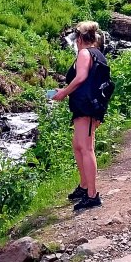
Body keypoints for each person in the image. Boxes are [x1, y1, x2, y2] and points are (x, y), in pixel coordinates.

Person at [52, 20, 112, 212]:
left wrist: (63, 93)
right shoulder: (98, 54)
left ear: (79, 39)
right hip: (89, 104)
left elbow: (81, 77)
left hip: (86, 105)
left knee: (86, 148)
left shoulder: (85, 53)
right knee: (78, 146)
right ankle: (84, 186)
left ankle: (92, 195)